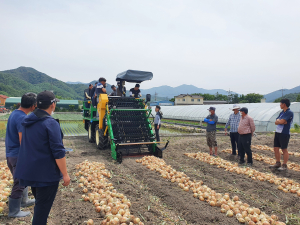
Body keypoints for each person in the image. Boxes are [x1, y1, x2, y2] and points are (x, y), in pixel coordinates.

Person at [14, 91, 71, 225]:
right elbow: (58, 152)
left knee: (40, 206)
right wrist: (65, 174)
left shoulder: (27, 120)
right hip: (46, 175)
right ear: (52, 104)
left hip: (31, 173)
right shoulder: (50, 123)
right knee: (41, 211)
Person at [6, 93, 37, 218]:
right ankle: (13, 211)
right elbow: (22, 140)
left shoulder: (15, 113)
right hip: (17, 154)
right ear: (33, 106)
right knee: (19, 182)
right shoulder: (23, 118)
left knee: (22, 179)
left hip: (11, 153)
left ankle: (24, 201)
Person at [269, 98, 294, 171]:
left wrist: (281, 121)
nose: (280, 105)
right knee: (276, 148)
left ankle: (284, 165)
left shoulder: (289, 112)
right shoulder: (282, 112)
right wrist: (281, 121)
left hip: (284, 133)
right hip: (278, 132)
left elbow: (283, 121)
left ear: (284, 104)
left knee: (284, 149)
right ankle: (278, 163)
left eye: (280, 104)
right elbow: (276, 121)